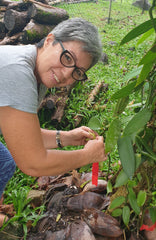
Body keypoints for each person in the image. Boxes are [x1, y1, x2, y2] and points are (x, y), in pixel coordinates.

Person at [0, 17, 107, 226]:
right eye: (67, 58)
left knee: (4, 162)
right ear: (49, 40)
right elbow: (32, 163)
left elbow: (20, 132)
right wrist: (87, 156)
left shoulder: (34, 70)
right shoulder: (18, 72)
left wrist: (66, 137)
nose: (67, 74)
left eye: (78, 72)